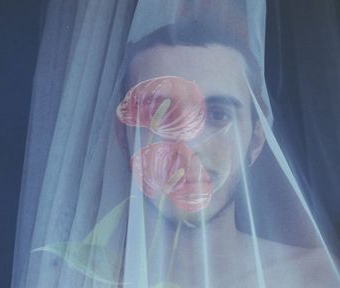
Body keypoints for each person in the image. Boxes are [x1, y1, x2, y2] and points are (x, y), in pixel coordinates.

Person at [116, 19, 340, 287]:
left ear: (256, 139)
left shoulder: (320, 279)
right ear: (123, 137)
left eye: (218, 114)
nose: (189, 145)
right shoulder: (69, 276)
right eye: (160, 114)